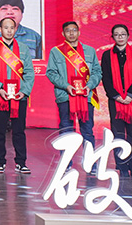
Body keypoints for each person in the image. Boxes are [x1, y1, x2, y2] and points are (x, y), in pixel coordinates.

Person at [47, 21, 102, 171]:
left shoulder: (90, 51)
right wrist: (66, 86)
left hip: (86, 96)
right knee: (66, 130)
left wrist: (89, 86)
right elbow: (51, 73)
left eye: (74, 30)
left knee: (87, 131)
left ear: (79, 32)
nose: (71, 33)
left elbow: (97, 72)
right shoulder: (56, 52)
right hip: (66, 96)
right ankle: (66, 163)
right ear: (63, 34)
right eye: (68, 31)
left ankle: (90, 163)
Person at [0, 17, 35, 174]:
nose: (9, 30)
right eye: (6, 27)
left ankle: (21, 162)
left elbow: (29, 72)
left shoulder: (23, 49)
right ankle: (0, 162)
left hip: (19, 97)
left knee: (19, 131)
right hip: (0, 97)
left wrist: (24, 91)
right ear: (0, 29)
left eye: (12, 27)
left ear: (16, 29)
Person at [100, 25, 132, 177]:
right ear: (113, 37)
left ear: (128, 36)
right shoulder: (107, 56)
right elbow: (106, 78)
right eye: (117, 34)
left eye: (123, 34)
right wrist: (116, 96)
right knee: (118, 135)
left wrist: (130, 95)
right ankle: (122, 166)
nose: (120, 37)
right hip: (115, 101)